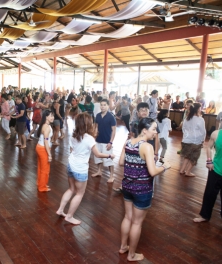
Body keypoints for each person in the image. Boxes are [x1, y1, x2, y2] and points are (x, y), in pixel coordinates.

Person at [118, 118, 170, 262]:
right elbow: (153, 172)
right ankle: (132, 255)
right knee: (137, 223)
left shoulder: (128, 142)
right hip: (142, 189)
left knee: (128, 217)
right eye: (154, 129)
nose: (156, 132)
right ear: (144, 130)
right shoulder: (147, 146)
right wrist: (165, 167)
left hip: (127, 186)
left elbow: (121, 162)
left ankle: (123, 247)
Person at [56, 113, 115, 225]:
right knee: (79, 194)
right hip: (80, 169)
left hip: (70, 165)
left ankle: (60, 210)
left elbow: (72, 150)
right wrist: (109, 155)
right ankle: (69, 216)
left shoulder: (74, 135)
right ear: (88, 124)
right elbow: (97, 154)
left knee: (71, 189)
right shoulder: (89, 139)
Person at [193, 128, 222, 223]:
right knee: (209, 194)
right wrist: (209, 160)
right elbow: (209, 147)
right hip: (216, 169)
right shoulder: (216, 134)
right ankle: (204, 215)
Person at [92, 99, 116, 183]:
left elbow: (114, 130)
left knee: (108, 160)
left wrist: (110, 142)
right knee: (97, 158)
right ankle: (99, 171)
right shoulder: (98, 115)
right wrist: (94, 137)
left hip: (106, 141)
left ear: (108, 106)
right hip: (98, 140)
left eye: (104, 105)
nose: (102, 106)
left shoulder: (111, 117)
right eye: (101, 105)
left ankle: (112, 176)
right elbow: (96, 127)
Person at [180, 103, 206, 177]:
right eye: (200, 108)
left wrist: (186, 135)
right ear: (198, 109)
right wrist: (202, 140)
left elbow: (183, 129)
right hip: (196, 141)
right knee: (194, 157)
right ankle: (187, 172)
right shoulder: (200, 119)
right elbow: (203, 132)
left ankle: (182, 170)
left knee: (187, 156)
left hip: (186, 140)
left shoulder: (187, 118)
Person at [36, 110, 53, 192]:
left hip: (39, 147)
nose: (52, 117)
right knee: (45, 169)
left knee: (40, 167)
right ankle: (42, 187)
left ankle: (40, 183)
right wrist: (49, 154)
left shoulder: (43, 125)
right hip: (43, 149)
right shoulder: (47, 128)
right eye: (51, 116)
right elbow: (46, 141)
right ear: (46, 117)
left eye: (53, 116)